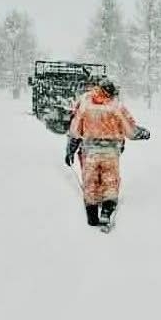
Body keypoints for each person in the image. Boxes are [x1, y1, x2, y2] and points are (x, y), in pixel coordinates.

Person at [65, 77, 151, 226]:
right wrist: (143, 133)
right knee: (110, 181)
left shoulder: (85, 103)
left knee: (90, 182)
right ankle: (106, 210)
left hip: (90, 150)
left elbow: (74, 130)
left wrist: (70, 150)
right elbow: (130, 130)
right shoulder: (116, 106)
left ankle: (92, 215)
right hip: (110, 151)